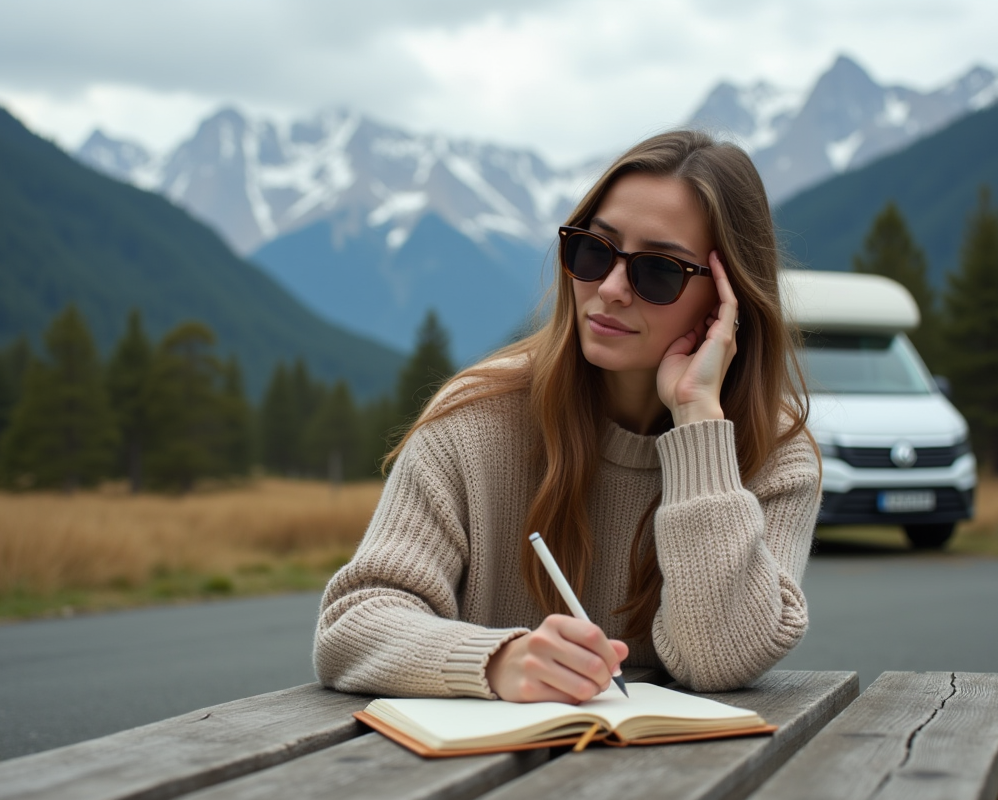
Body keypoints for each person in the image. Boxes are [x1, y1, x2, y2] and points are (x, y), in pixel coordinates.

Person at [313, 130, 820, 703]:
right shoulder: (473, 419)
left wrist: (698, 423)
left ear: (728, 301)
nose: (609, 288)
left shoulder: (775, 453)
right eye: (593, 251)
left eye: (657, 271)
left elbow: (721, 658)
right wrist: (497, 661)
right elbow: (352, 625)